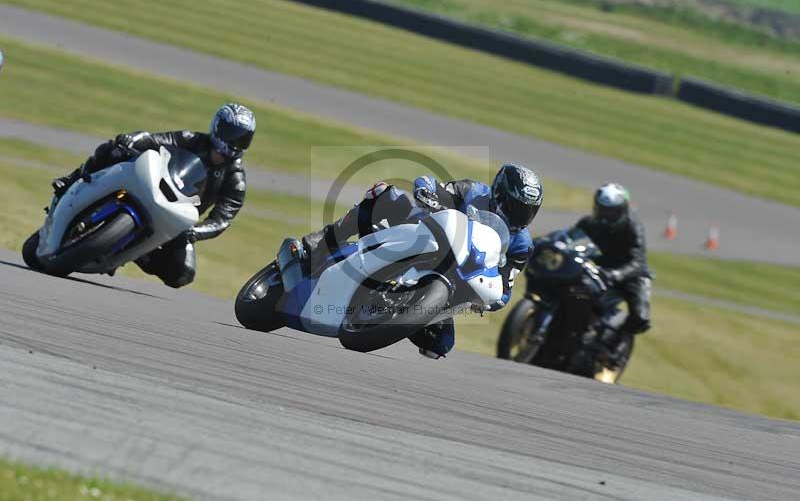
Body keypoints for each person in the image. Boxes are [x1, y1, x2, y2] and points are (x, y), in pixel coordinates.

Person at [302, 163, 543, 358]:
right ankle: (325, 240)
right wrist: (425, 192)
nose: (521, 216)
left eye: (528, 211)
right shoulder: (473, 191)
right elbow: (433, 185)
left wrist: (489, 301)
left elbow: (505, 288)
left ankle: (384, 311)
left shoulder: (521, 245)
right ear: (500, 193)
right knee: (386, 195)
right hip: (420, 235)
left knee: (439, 344)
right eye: (516, 207)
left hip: (454, 281)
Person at [52, 103, 256, 288]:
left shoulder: (235, 180)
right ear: (217, 127)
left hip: (177, 219)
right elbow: (153, 140)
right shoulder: (190, 139)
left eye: (243, 137)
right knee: (115, 148)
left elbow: (222, 220)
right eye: (231, 132)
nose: (236, 141)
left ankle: (140, 252)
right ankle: (72, 179)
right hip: (152, 186)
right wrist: (131, 141)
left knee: (182, 274)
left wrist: (194, 231)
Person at [574, 183, 652, 347]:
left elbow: (637, 262)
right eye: (602, 209)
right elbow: (570, 240)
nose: (605, 216)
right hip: (598, 269)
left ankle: (616, 343)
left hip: (630, 275)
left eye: (611, 212)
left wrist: (615, 274)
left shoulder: (633, 227)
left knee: (641, 318)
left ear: (622, 210)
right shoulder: (588, 223)